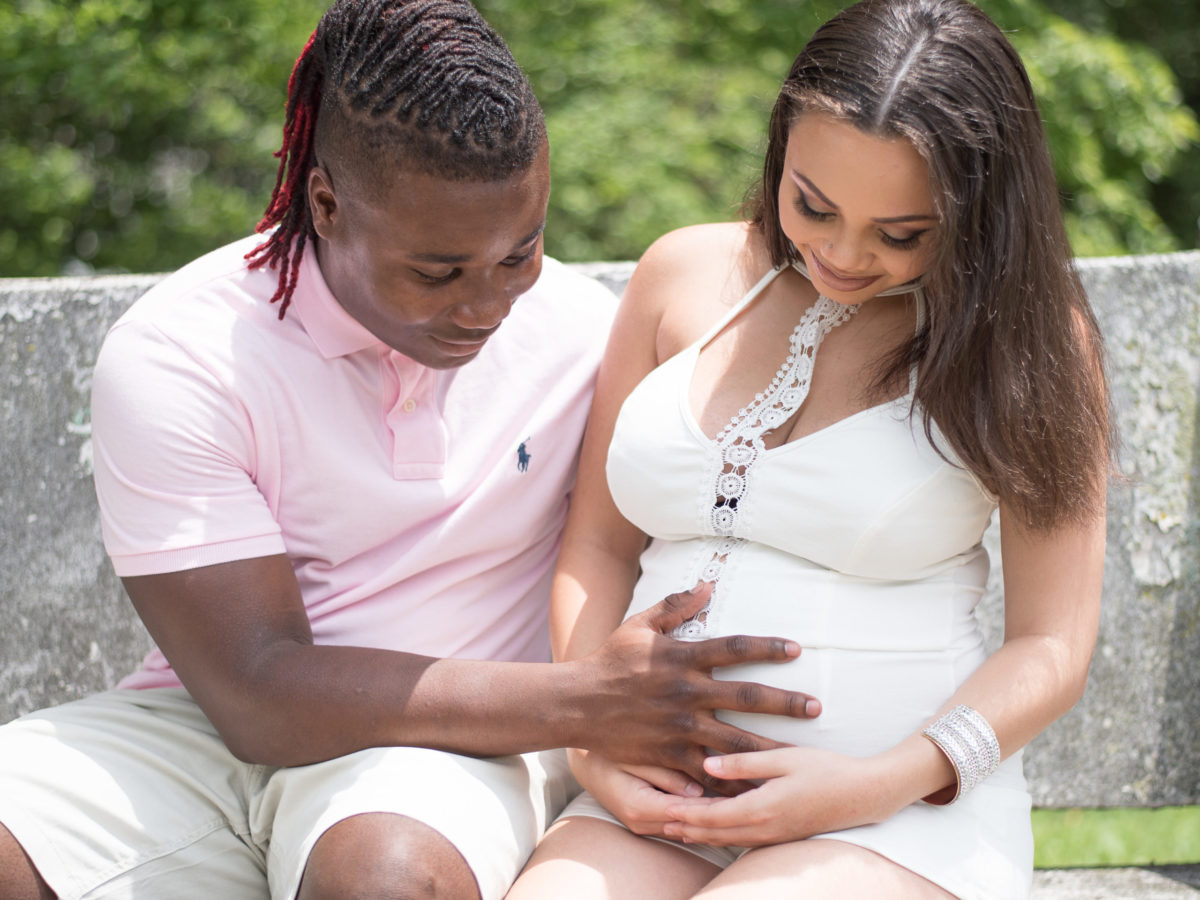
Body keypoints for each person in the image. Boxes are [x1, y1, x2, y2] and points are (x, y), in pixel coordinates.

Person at [0, 3, 823, 899]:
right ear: (325, 202)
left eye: (521, 252)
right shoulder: (183, 352)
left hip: (441, 757)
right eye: (436, 272)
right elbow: (253, 690)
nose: (485, 305)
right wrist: (585, 699)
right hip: (202, 727)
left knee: (386, 876)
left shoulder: (588, 339)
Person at [506, 0, 1112, 897]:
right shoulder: (679, 275)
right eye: (813, 205)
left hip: (895, 820)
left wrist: (882, 780)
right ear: (781, 143)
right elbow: (596, 544)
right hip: (655, 796)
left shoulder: (1027, 340)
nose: (841, 254)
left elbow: (1052, 646)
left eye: (902, 234)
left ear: (979, 208)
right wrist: (593, 731)